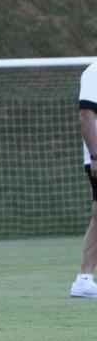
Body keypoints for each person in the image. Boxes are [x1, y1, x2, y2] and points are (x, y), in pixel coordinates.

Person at [69, 62, 97, 298]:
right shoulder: (94, 72)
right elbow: (86, 115)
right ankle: (84, 278)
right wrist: (96, 155)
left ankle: (84, 279)